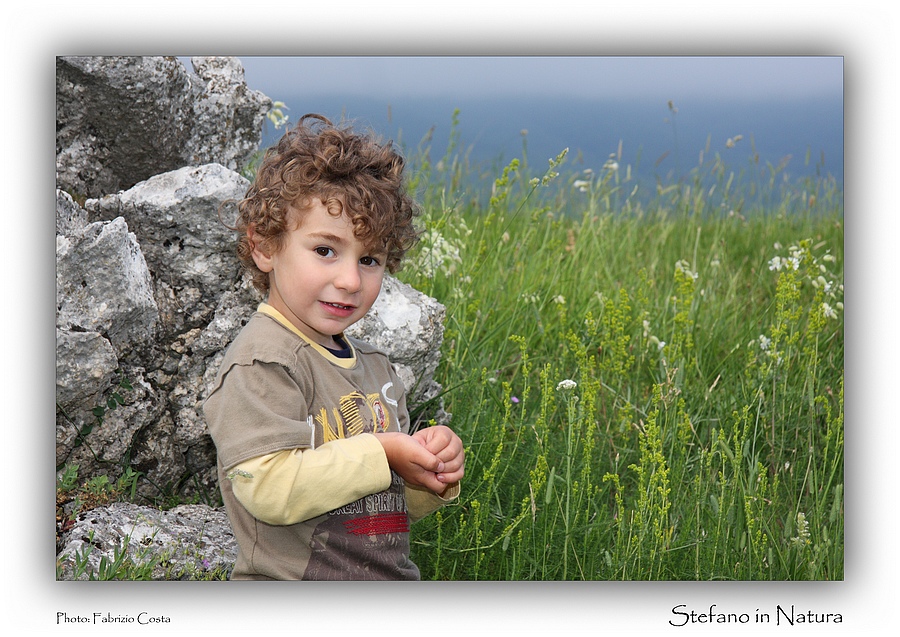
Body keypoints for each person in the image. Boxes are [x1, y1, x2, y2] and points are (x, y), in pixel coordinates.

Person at [203, 114, 464, 580]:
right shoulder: (264, 361)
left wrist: (428, 470)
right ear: (265, 246)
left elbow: (385, 513)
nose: (349, 280)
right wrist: (382, 452)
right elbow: (268, 488)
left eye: (369, 260)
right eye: (325, 250)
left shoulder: (376, 369)